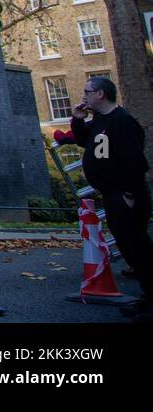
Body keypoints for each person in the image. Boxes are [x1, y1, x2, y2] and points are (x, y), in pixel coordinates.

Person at [71, 76, 153, 320]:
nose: (84, 95)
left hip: (126, 194)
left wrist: (128, 193)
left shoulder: (123, 122)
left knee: (138, 247)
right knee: (130, 247)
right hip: (112, 193)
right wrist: (78, 120)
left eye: (88, 91)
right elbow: (84, 141)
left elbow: (135, 162)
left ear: (101, 94)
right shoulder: (100, 120)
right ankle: (148, 295)